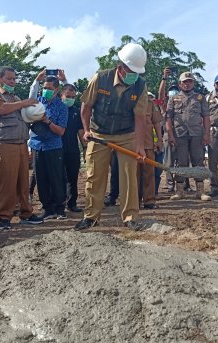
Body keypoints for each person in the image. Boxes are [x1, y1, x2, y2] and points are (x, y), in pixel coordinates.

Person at [76, 43, 148, 231]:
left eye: (137, 72)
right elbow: (85, 107)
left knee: (129, 177)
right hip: (99, 133)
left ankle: (130, 217)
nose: (134, 75)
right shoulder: (100, 78)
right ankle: (91, 217)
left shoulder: (140, 86)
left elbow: (140, 118)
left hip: (127, 135)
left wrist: (139, 146)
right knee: (94, 176)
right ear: (121, 67)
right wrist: (86, 130)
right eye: (131, 70)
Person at [0, 66, 42, 230]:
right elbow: (0, 109)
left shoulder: (14, 97)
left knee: (23, 183)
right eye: (9, 79)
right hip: (4, 144)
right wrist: (24, 103)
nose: (13, 82)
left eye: (14, 79)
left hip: (21, 144)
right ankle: (5, 217)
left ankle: (26, 213)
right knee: (6, 183)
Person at [165, 72, 211, 201]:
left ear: (193, 83)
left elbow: (206, 117)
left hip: (196, 134)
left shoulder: (200, 98)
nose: (187, 84)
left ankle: (200, 191)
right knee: (181, 162)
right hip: (180, 135)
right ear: (180, 84)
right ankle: (180, 191)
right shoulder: (173, 99)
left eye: (189, 81)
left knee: (198, 161)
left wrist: (207, 134)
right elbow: (168, 118)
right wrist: (170, 135)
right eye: (184, 82)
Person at [28, 70, 68, 220]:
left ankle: (60, 208)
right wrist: (36, 80)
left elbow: (61, 131)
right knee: (41, 178)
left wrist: (47, 121)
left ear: (56, 90)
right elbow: (29, 100)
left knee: (56, 178)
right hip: (37, 146)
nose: (46, 91)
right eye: (44, 87)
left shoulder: (61, 107)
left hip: (53, 146)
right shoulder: (37, 102)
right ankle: (47, 208)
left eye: (49, 88)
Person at [60, 83, 86, 212]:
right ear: (61, 95)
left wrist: (85, 148)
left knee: (73, 178)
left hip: (73, 150)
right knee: (58, 177)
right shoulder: (56, 109)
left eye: (73, 96)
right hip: (57, 149)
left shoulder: (76, 112)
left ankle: (72, 203)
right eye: (68, 96)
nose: (70, 98)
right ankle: (58, 204)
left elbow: (81, 132)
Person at [138, 92, 163, 207]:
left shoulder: (150, 104)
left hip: (148, 143)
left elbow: (157, 122)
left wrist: (159, 140)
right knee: (133, 174)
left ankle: (149, 200)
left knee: (149, 173)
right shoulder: (126, 100)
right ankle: (134, 201)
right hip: (131, 144)